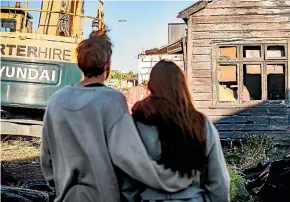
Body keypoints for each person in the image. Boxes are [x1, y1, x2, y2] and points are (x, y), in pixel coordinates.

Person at [40, 32, 194, 202]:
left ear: (80, 63)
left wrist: (60, 185)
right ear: (107, 64)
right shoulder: (112, 100)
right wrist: (172, 181)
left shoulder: (57, 100)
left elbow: (47, 159)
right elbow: (129, 159)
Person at [121, 60, 230, 202]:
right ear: (182, 85)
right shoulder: (200, 124)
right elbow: (219, 181)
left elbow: (127, 183)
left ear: (150, 86)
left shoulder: (136, 124)